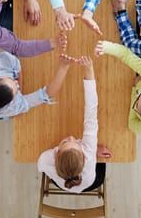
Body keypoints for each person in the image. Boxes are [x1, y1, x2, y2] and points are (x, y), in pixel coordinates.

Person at [37, 56, 111, 193]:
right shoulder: (88, 153)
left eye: (65, 142)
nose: (71, 136)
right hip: (92, 182)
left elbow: (41, 166)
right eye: (77, 143)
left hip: (63, 181)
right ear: (85, 155)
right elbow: (91, 111)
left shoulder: (45, 160)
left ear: (56, 154)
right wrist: (89, 70)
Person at [0, 52, 75, 120]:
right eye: (15, 91)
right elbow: (47, 95)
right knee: (13, 114)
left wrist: (19, 94)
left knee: (15, 114)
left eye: (11, 80)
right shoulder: (10, 107)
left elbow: (15, 62)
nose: (17, 82)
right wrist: (63, 67)